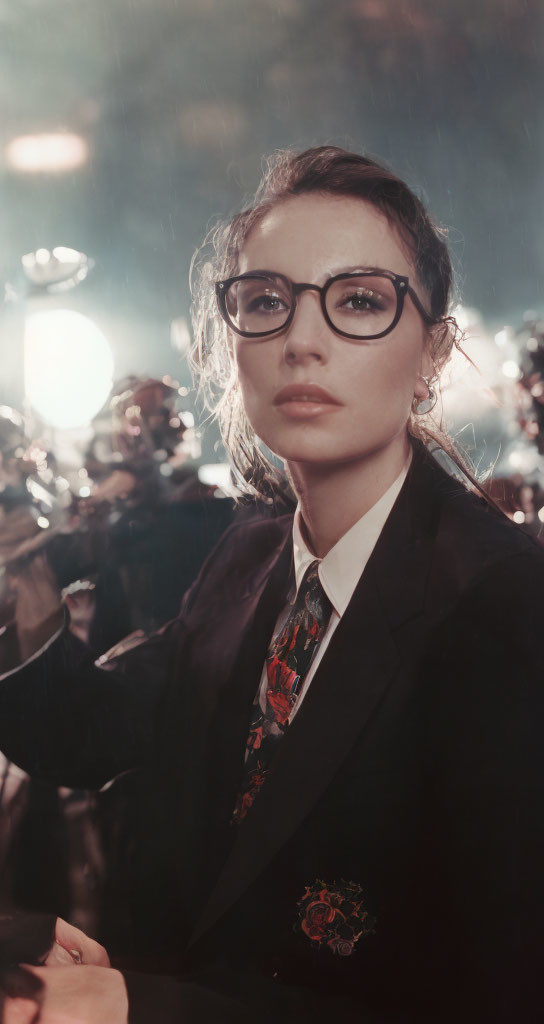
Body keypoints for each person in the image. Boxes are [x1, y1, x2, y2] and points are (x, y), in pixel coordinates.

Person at [1, 145, 544, 1023]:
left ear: (433, 351)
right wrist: (12, 560)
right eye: (265, 302)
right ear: (230, 344)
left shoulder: (507, 606)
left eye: (359, 302)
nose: (302, 339)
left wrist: (142, 1004)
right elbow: (91, 732)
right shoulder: (246, 556)